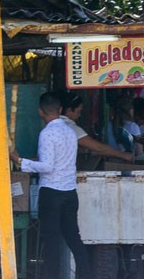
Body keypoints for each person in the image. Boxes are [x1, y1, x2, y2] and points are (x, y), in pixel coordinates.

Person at [9, 92, 90, 279]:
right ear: (60, 110)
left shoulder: (46, 134)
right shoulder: (71, 131)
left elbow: (47, 166)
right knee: (73, 238)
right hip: (70, 193)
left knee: (51, 240)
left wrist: (20, 161)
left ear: (40, 112)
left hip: (52, 193)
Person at [61, 93, 135, 163]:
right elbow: (99, 148)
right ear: (69, 111)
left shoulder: (54, 124)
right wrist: (123, 155)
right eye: (78, 111)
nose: (79, 115)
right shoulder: (70, 128)